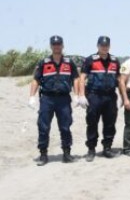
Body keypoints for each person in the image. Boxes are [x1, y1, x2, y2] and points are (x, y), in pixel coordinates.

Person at [29, 35, 80, 166]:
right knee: (43, 126)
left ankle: (67, 153)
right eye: (54, 44)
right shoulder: (43, 63)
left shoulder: (69, 62)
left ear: (63, 46)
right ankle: (43, 154)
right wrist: (32, 96)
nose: (56, 46)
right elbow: (36, 79)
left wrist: (77, 95)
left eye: (59, 44)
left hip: (63, 99)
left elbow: (75, 79)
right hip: (47, 99)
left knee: (65, 126)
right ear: (51, 46)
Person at [78, 35, 121, 162]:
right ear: (98, 46)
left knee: (110, 123)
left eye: (106, 45)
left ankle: (107, 148)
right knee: (92, 122)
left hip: (110, 96)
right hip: (94, 95)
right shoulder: (90, 59)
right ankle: (91, 149)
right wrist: (81, 95)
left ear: (109, 46)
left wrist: (122, 96)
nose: (104, 47)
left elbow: (119, 79)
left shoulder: (114, 60)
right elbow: (82, 78)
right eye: (102, 45)